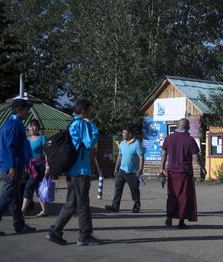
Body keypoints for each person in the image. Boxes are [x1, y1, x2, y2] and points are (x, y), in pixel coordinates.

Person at [46, 99, 101, 246]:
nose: (90, 113)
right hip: (80, 171)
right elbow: (89, 143)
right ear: (83, 111)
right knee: (83, 203)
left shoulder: (71, 124)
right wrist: (93, 127)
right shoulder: (82, 123)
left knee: (71, 203)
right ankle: (84, 235)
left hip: (71, 170)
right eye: (89, 111)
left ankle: (55, 231)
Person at [0, 99, 36, 236]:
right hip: (12, 167)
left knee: (13, 198)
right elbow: (8, 148)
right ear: (19, 111)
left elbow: (19, 148)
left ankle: (19, 225)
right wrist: (11, 166)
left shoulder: (16, 124)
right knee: (6, 198)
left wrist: (24, 165)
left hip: (17, 165)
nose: (28, 111)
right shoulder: (13, 125)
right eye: (26, 109)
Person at [160, 118, 206, 229]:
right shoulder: (190, 140)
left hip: (171, 172)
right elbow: (196, 157)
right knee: (184, 197)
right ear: (188, 127)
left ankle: (169, 217)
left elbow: (164, 154)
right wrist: (203, 168)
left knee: (172, 195)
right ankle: (181, 221)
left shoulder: (169, 138)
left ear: (177, 126)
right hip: (185, 172)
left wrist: (162, 168)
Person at [105, 124, 144, 213]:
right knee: (118, 189)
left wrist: (140, 169)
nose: (123, 134)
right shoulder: (122, 143)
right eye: (123, 133)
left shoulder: (137, 143)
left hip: (133, 172)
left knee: (134, 190)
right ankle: (115, 206)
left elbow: (141, 157)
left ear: (130, 134)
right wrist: (116, 168)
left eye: (124, 133)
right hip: (121, 171)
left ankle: (136, 206)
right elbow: (120, 156)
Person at [21, 119, 49, 217]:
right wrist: (24, 167)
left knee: (28, 187)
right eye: (30, 126)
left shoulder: (42, 138)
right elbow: (24, 155)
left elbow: (47, 154)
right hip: (29, 167)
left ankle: (22, 211)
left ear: (38, 127)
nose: (32, 128)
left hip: (39, 167)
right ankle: (45, 211)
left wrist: (47, 168)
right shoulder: (26, 140)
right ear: (28, 128)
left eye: (34, 126)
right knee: (38, 189)